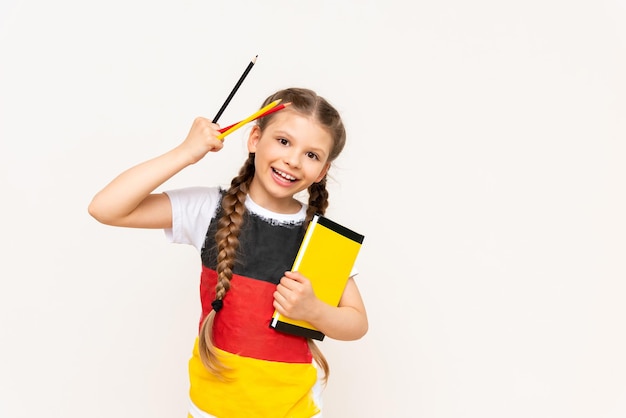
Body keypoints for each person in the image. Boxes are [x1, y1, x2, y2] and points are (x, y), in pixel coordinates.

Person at [88, 87, 368, 417]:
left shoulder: (320, 238)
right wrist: (185, 153)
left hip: (292, 409)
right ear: (254, 138)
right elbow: (105, 208)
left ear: (322, 171)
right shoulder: (208, 209)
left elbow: (357, 323)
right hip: (212, 406)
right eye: (283, 141)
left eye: (312, 155)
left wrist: (314, 310)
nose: (293, 160)